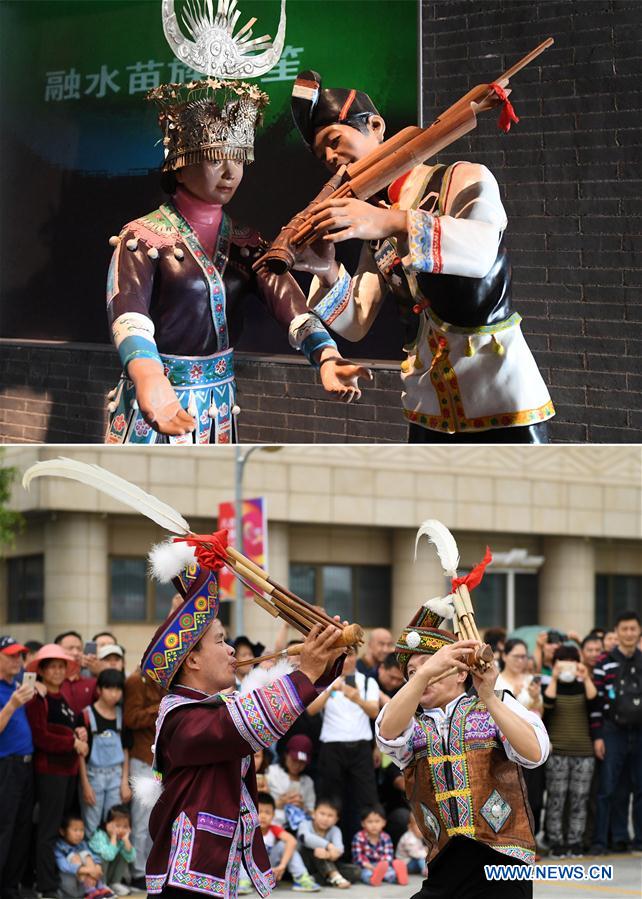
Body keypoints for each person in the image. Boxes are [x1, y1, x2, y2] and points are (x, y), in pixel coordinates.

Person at [105, 70, 370, 444]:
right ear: (180, 164)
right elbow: (129, 311)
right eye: (216, 159)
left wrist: (326, 354)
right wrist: (148, 375)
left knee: (214, 500)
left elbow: (287, 302)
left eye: (239, 160)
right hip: (154, 399)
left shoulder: (245, 242)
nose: (231, 173)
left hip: (218, 405)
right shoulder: (143, 237)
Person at [288, 71, 554, 444]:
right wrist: (328, 270)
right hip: (429, 403)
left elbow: (479, 252)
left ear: (375, 125)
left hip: (501, 394)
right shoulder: (375, 224)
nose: (332, 158)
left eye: (335, 140)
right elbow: (358, 321)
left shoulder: (460, 178)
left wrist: (392, 220)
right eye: (322, 155)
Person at [137, 538, 346, 897]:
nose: (231, 648)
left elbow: (259, 704)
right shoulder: (180, 719)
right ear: (192, 660)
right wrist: (307, 672)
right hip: (186, 875)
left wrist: (322, 660)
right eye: (220, 641)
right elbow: (242, 722)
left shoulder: (208, 704)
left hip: (210, 867)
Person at [375, 599, 550, 899]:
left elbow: (535, 753)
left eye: (430, 666)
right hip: (444, 862)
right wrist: (428, 672)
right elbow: (386, 733)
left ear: (459, 674)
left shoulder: (497, 703)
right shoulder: (408, 721)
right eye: (412, 672)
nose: (421, 675)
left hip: (503, 859)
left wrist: (490, 699)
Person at [25, 644, 90, 899]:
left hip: (68, 772)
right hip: (49, 771)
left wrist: (79, 732)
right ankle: (46, 887)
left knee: (57, 828)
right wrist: (72, 742)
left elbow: (70, 727)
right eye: (51, 666)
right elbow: (41, 737)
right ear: (41, 670)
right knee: (48, 830)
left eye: (61, 666)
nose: (57, 671)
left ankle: (57, 881)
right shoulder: (36, 699)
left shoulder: (61, 698)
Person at [307, 648, 380, 845]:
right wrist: (331, 688)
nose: (347, 661)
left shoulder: (367, 681)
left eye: (351, 655)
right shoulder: (325, 681)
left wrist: (356, 697)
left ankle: (366, 850)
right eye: (342, 657)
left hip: (361, 747)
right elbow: (311, 710)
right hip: (332, 747)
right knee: (331, 800)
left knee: (366, 799)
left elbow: (375, 712)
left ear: (357, 656)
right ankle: (331, 849)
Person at [590, 610, 642, 854]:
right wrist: (598, 736)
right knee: (609, 789)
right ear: (617, 632)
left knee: (639, 788)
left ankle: (639, 839)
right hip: (612, 732)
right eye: (625, 629)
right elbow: (597, 703)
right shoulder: (604, 662)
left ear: (639, 631)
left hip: (640, 732)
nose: (629, 633)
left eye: (633, 629)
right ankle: (606, 840)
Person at [542, 644, 597, 857]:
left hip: (584, 752)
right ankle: (556, 842)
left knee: (579, 800)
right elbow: (547, 704)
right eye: (562, 662)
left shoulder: (584, 685)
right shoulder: (550, 685)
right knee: (556, 799)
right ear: (554, 664)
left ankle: (575, 842)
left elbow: (595, 702)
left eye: (571, 662)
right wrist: (555, 678)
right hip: (558, 752)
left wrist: (586, 676)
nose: (567, 667)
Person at [0, 636, 38, 899]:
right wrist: (12, 705)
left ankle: (11, 887)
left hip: (26, 766)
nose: (17, 660)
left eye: (20, 655)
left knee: (22, 829)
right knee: (5, 828)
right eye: (11, 655)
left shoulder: (16, 683)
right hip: (6, 767)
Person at [78, 669, 132, 838]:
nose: (114, 694)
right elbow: (80, 754)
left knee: (115, 824)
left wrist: (124, 783)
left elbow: (125, 749)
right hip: (93, 776)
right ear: (99, 690)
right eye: (109, 689)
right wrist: (85, 784)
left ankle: (109, 863)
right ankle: (94, 863)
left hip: (116, 775)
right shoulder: (86, 715)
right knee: (91, 825)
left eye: (118, 689)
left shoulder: (122, 715)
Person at [123, 667, 163, 890]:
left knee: (155, 820)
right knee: (140, 821)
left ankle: (151, 868)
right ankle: (138, 871)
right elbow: (130, 718)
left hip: (159, 759)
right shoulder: (136, 681)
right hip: (142, 757)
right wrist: (156, 710)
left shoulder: (164, 683)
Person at [256, 792, 320, 892]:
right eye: (259, 812)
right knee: (240, 848)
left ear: (273, 815)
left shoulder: (273, 829)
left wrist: (282, 865)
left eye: (267, 813)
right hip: (251, 871)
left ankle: (301, 878)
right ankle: (243, 882)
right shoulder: (249, 830)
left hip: (270, 869)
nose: (263, 816)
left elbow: (292, 841)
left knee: (285, 845)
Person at [297, 798, 354, 889]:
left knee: (355, 871)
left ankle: (314, 879)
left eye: (330, 816)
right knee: (318, 850)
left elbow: (339, 849)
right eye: (322, 814)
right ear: (314, 814)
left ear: (336, 820)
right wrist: (328, 846)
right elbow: (306, 839)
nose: (325, 819)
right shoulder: (305, 824)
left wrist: (328, 855)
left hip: (325, 864)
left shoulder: (335, 830)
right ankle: (334, 876)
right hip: (306, 862)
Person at [55, 813, 113, 899]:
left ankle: (98, 888)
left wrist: (97, 866)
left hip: (85, 886)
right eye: (75, 830)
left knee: (87, 855)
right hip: (69, 887)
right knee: (74, 856)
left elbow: (93, 857)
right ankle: (91, 890)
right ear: (62, 831)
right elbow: (63, 866)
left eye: (81, 830)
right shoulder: (59, 846)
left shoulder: (82, 844)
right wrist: (87, 870)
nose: (79, 834)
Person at [266, 734, 316, 829]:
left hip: (299, 829)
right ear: (286, 755)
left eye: (301, 762)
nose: (297, 765)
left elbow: (312, 813)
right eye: (294, 760)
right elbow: (260, 805)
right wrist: (279, 803)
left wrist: (303, 807)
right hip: (272, 826)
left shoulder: (308, 782)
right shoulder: (271, 772)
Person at [350, 806, 407, 886]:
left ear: (384, 823)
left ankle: (398, 878)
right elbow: (357, 857)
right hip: (366, 865)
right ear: (363, 823)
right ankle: (372, 880)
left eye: (377, 821)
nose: (374, 825)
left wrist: (382, 865)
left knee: (390, 871)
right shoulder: (359, 837)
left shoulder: (385, 837)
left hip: (382, 865)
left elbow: (388, 855)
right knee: (365, 873)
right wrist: (369, 866)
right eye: (370, 822)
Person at [88, 805, 137, 895]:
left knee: (125, 853)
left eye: (125, 826)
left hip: (108, 873)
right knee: (103, 856)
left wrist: (126, 840)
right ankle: (102, 885)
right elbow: (108, 856)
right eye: (117, 825)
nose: (121, 830)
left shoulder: (121, 839)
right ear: (108, 824)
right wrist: (113, 837)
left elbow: (131, 858)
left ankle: (115, 883)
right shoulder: (100, 836)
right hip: (95, 877)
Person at [54, 631, 99, 716]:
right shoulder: (48, 683)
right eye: (70, 648)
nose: (75, 653)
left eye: (79, 649)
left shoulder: (91, 683)